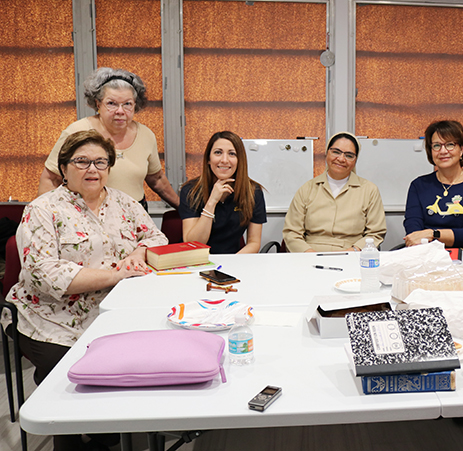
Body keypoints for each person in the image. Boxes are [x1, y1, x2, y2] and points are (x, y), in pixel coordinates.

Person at [4, 130, 167, 450]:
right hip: (51, 318)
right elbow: (43, 275)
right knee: (70, 376)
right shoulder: (42, 209)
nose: (92, 169)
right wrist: (117, 275)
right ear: (63, 168)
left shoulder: (125, 203)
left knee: (143, 358)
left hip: (115, 312)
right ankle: (74, 436)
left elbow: (156, 239)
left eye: (101, 162)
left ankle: (111, 431)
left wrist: (137, 254)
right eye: (82, 161)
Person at [38, 67, 179, 209]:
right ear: (98, 104)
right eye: (112, 103)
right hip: (86, 213)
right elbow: (51, 178)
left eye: (127, 104)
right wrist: (45, 219)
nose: (120, 111)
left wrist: (183, 208)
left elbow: (157, 179)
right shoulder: (77, 131)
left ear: (135, 105)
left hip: (135, 214)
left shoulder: (146, 135)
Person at [283, 132, 386, 252]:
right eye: (336, 152)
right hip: (310, 254)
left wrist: (353, 251)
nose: (341, 159)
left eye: (349, 155)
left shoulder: (369, 190)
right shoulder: (307, 189)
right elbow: (291, 232)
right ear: (327, 153)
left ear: (355, 160)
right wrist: (309, 254)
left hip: (352, 254)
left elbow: (375, 232)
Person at [403, 120, 463, 250]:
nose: (443, 151)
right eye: (436, 146)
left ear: (461, 150)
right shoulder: (419, 185)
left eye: (450, 145)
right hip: (427, 253)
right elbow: (413, 227)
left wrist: (433, 234)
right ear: (430, 151)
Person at [178, 131, 266, 254]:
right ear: (208, 159)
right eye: (218, 152)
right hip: (195, 261)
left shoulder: (253, 192)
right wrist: (212, 201)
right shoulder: (190, 190)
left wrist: (231, 264)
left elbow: (254, 243)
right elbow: (193, 244)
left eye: (232, 154)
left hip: (233, 260)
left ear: (240, 160)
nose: (224, 160)